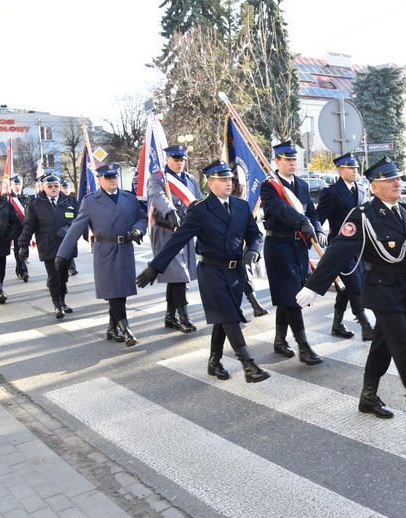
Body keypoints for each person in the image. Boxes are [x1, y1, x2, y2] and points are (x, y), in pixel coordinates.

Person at [296, 156, 406, 432]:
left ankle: (368, 397)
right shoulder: (363, 216)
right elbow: (338, 250)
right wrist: (313, 285)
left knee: (383, 344)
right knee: (404, 345)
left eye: (397, 178)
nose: (397, 183)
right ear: (374, 186)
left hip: (403, 289)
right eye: (389, 180)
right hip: (380, 289)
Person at [137, 160, 269, 383]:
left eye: (230, 179)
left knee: (222, 318)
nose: (229, 183)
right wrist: (154, 267)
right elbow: (177, 240)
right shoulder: (200, 209)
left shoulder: (240, 206)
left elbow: (255, 234)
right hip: (212, 271)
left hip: (236, 272)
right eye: (223, 179)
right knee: (229, 315)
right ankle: (248, 364)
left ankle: (214, 361)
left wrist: (255, 250)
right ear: (210, 183)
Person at [56, 164, 147, 347]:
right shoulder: (90, 201)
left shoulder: (129, 198)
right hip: (105, 250)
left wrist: (138, 229)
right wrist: (62, 254)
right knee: (113, 291)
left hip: (125, 249)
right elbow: (76, 228)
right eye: (107, 177)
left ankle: (112, 329)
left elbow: (142, 217)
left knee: (120, 292)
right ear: (99, 180)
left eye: (114, 176)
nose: (112, 179)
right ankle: (126, 329)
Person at [261, 141, 325, 366]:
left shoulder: (301, 184)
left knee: (287, 296)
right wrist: (302, 221)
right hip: (278, 246)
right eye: (287, 159)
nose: (292, 163)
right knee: (292, 296)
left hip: (298, 247)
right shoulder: (269, 185)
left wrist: (316, 228)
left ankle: (280, 341)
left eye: (294, 159)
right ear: (276, 161)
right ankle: (304, 347)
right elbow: (280, 209)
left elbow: (312, 211)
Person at [315, 152, 374, 341]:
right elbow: (318, 218)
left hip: (360, 246)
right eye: (350, 167)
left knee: (349, 286)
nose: (355, 170)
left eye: (355, 167)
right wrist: (318, 232)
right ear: (340, 170)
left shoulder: (362, 189)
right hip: (340, 247)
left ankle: (337, 324)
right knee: (355, 286)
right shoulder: (330, 192)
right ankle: (365, 325)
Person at [147, 144, 203, 334]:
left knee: (177, 275)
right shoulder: (158, 178)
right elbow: (158, 196)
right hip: (165, 231)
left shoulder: (190, 179)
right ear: (168, 160)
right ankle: (184, 318)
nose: (179, 163)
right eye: (176, 159)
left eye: (182, 159)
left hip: (184, 231)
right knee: (179, 274)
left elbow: (199, 201)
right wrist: (170, 212)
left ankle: (170, 316)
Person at [17, 173, 78, 318]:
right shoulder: (35, 205)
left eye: (56, 186)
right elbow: (28, 226)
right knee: (54, 276)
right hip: (48, 245)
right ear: (44, 188)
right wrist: (23, 245)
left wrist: (69, 227)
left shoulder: (70, 201)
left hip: (66, 246)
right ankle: (57, 305)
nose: (53, 189)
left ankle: (62, 300)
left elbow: (79, 219)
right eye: (50, 186)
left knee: (64, 277)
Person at [231, 172, 269, 319]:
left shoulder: (252, 185)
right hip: (230, 240)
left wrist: (255, 215)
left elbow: (263, 207)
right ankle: (240, 307)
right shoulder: (224, 187)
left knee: (245, 272)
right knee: (236, 274)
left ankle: (254, 304)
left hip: (245, 236)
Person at [0, 178, 22, 304]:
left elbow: (15, 221)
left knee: (2, 265)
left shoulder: (6, 205)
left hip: (3, 240)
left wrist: (11, 234)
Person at [9, 175, 30, 282]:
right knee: (19, 249)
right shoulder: (7, 198)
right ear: (11, 185)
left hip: (26, 228)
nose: (17, 186)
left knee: (25, 250)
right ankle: (23, 271)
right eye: (15, 184)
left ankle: (19, 270)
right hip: (15, 228)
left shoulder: (27, 197)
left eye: (19, 184)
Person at [59, 181, 79, 276]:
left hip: (70, 230)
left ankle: (72, 267)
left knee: (70, 249)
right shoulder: (58, 201)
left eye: (67, 188)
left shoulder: (73, 201)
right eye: (64, 188)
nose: (66, 190)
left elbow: (78, 215)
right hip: (58, 232)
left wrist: (69, 225)